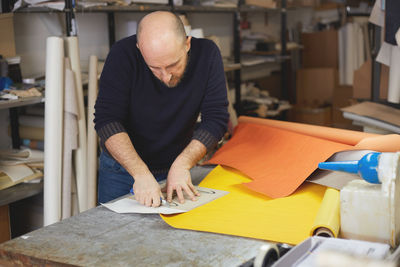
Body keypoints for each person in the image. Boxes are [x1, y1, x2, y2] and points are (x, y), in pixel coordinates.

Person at [94, 11, 229, 207]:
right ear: (140, 49)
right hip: (122, 170)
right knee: (112, 235)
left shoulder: (207, 55)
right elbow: (107, 120)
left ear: (187, 44)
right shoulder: (122, 54)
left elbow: (216, 119)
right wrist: (140, 173)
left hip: (176, 167)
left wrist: (183, 164)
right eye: (155, 68)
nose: (166, 77)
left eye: (173, 65)